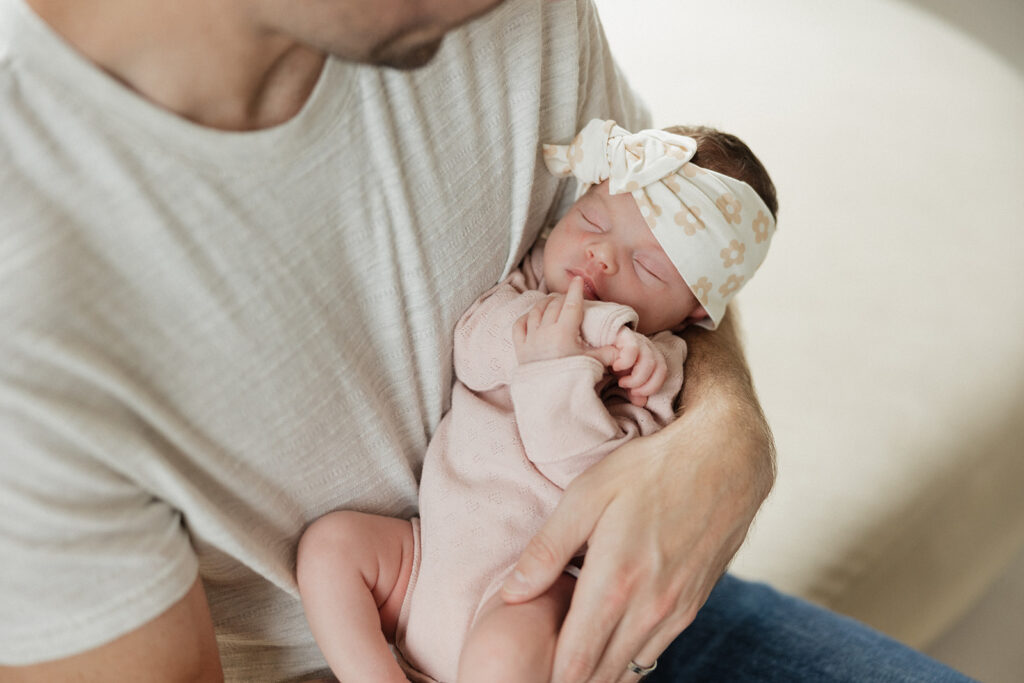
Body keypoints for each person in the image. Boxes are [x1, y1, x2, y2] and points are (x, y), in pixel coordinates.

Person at [0, 0, 974, 681]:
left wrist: (725, 433)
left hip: (584, 602)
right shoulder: (29, 272)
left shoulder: (490, 12)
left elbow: (673, 285)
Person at [296, 119, 779, 683]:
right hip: (424, 562)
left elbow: (592, 483)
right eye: (593, 219)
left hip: (533, 589)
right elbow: (474, 350)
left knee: (505, 656)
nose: (600, 254)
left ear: (696, 311)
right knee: (332, 548)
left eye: (648, 265)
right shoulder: (526, 290)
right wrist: (577, 332)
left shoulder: (655, 371)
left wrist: (559, 373)